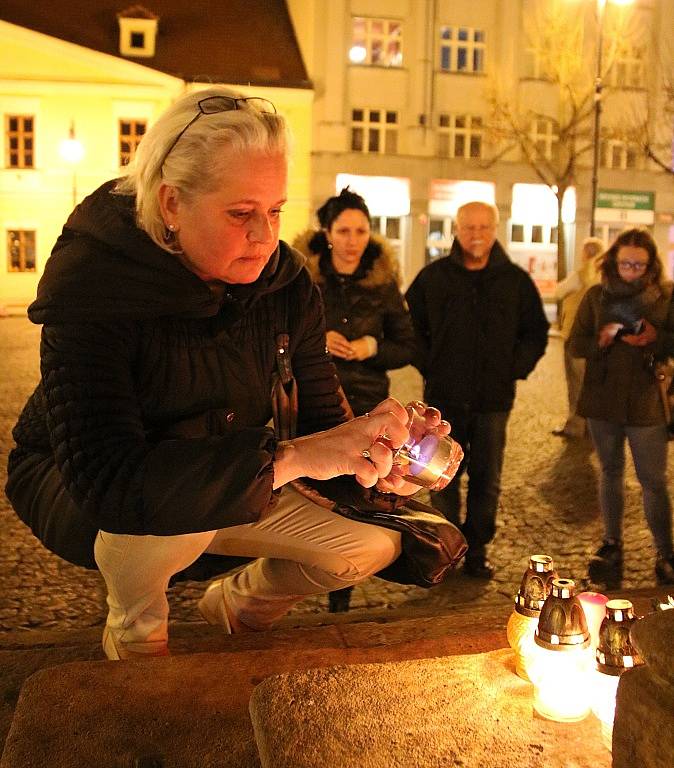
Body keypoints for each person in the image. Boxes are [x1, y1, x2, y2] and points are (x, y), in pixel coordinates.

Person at [5, 86, 450, 660]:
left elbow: (320, 418)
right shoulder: (96, 286)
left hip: (232, 478)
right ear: (171, 205)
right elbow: (108, 481)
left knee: (375, 543)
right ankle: (136, 650)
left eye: (274, 211)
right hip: (88, 493)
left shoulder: (286, 286)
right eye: (241, 214)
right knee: (159, 529)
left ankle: (239, 606)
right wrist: (290, 459)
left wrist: (371, 459)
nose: (265, 237)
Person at [405, 201, 549, 579]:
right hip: (444, 397)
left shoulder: (515, 282)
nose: (477, 234)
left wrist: (512, 368)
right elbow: (409, 328)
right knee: (440, 477)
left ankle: (477, 550)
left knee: (487, 478)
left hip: (493, 400)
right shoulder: (433, 278)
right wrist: (431, 363)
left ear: (497, 228)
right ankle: (446, 547)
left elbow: (535, 333)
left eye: (484, 227)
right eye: (469, 227)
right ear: (456, 228)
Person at [293, 188, 415, 611]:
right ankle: (291, 574)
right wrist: (314, 342)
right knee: (309, 487)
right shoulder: (302, 278)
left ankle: (340, 589)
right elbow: (279, 337)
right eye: (343, 230)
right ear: (326, 233)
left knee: (355, 491)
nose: (352, 239)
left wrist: (371, 347)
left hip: (364, 402)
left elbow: (408, 344)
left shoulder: (383, 284)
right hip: (313, 400)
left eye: (360, 230)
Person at [569, 228, 674, 586]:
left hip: (647, 401)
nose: (632, 270)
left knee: (653, 480)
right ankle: (611, 544)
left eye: (639, 265)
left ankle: (666, 551)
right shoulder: (597, 297)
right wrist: (601, 339)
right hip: (604, 400)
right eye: (626, 263)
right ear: (613, 261)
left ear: (650, 266)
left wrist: (655, 338)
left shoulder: (664, 298)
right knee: (609, 473)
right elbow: (574, 344)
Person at [552, 236, 604, 438]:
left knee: (576, 383)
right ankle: (592, 428)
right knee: (592, 384)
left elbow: (559, 291)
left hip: (577, 335)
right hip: (598, 337)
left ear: (586, 253)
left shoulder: (582, 274)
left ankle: (575, 426)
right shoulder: (605, 273)